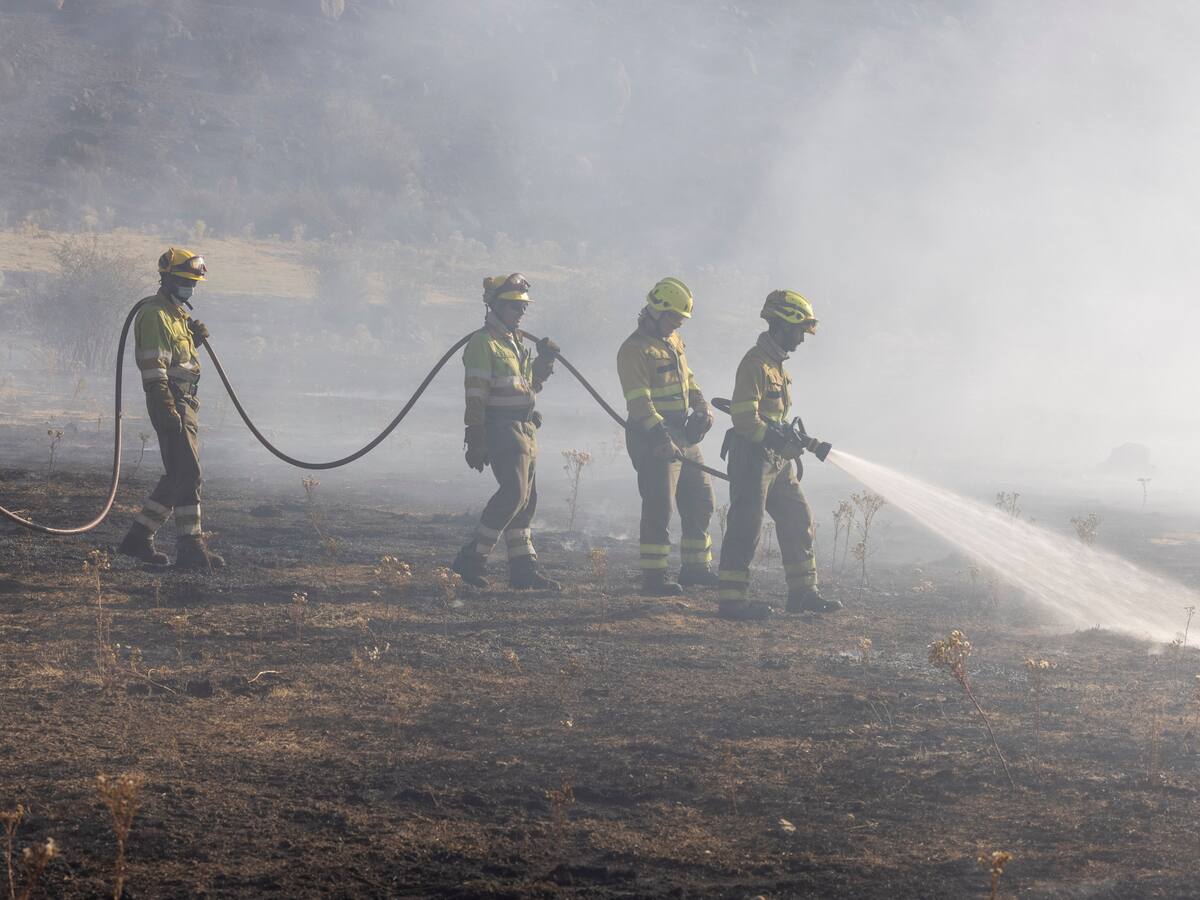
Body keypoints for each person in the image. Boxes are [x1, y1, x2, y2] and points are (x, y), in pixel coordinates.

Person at [716, 290, 841, 620]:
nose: (801, 339)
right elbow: (744, 420)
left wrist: (807, 442)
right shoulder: (754, 364)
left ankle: (803, 593)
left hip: (776, 458)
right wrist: (776, 443)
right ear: (783, 325)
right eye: (799, 331)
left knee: (799, 518)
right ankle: (732, 601)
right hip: (751, 456)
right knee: (747, 525)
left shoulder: (778, 368)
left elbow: (777, 420)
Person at [450, 273, 561, 591]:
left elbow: (530, 386)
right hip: (501, 428)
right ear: (494, 305)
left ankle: (523, 569)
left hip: (526, 428)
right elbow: (476, 394)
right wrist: (476, 436)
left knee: (526, 500)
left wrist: (545, 362)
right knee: (513, 493)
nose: (520, 312)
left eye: (522, 307)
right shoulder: (483, 344)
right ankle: (471, 558)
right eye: (513, 306)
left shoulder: (515, 343)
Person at [117, 248, 224, 571]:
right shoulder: (154, 315)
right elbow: (155, 369)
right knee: (189, 473)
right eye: (182, 280)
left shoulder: (177, 316)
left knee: (178, 473)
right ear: (165, 278)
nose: (188, 287)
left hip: (186, 401)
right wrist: (166, 407)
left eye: (192, 282)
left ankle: (138, 538)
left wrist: (195, 342)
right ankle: (190, 546)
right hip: (171, 401)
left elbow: (180, 360)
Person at [616, 277, 717, 596]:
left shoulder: (673, 341)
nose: (677, 324)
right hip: (653, 437)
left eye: (680, 319)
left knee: (702, 499)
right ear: (656, 311)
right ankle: (654, 577)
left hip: (684, 434)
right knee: (660, 507)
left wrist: (702, 406)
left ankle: (695, 568)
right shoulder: (634, 350)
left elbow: (688, 378)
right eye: (674, 317)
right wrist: (661, 436)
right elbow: (638, 401)